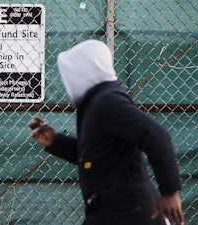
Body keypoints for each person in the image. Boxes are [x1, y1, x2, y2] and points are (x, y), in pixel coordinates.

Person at [28, 40, 184, 225]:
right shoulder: (96, 103)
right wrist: (55, 142)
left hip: (127, 211)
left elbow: (156, 134)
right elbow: (97, 155)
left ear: (85, 72)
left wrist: (170, 192)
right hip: (116, 208)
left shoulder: (107, 101)